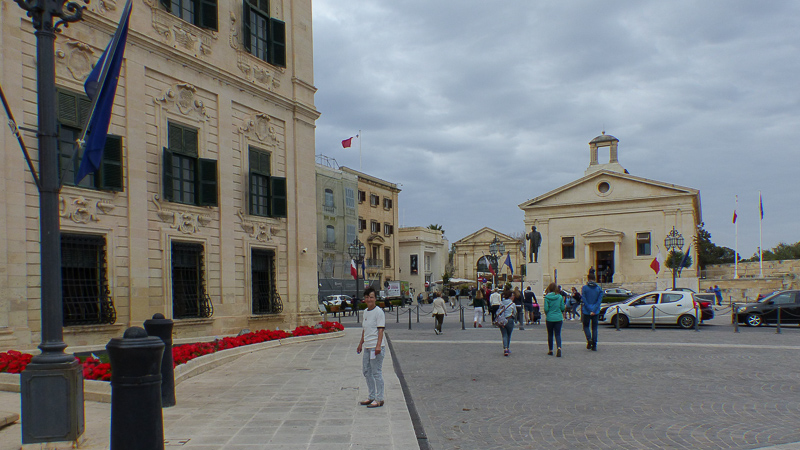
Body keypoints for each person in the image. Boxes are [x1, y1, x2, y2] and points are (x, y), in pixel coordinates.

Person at [356, 287, 385, 408]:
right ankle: (371, 395)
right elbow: (365, 329)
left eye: (371, 297)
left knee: (376, 372)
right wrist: (360, 343)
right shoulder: (366, 312)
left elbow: (380, 330)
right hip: (367, 346)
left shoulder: (379, 312)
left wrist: (378, 346)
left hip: (375, 347)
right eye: (367, 297)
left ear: (375, 298)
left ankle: (379, 398)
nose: (369, 299)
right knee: (367, 371)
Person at [581, 274, 604, 351]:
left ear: (588, 279)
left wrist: (589, 309)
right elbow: (599, 301)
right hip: (596, 311)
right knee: (594, 328)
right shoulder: (598, 288)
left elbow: (584, 299)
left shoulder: (584, 288)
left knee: (586, 326)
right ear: (595, 278)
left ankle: (589, 339)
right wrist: (594, 309)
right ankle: (594, 345)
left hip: (586, 311)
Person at [543, 282, 565, 357]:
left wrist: (548, 314)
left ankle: (551, 350)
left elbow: (546, 309)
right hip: (558, 317)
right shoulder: (560, 297)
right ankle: (559, 347)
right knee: (558, 334)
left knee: (550, 334)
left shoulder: (547, 298)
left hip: (550, 318)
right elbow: (562, 308)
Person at [498, 290, 516, 356]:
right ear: (510, 296)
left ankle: (505, 348)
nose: (513, 297)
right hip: (509, 320)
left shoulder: (501, 303)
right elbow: (514, 312)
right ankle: (507, 348)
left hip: (501, 320)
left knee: (504, 335)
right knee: (509, 334)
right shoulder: (512, 304)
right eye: (513, 295)